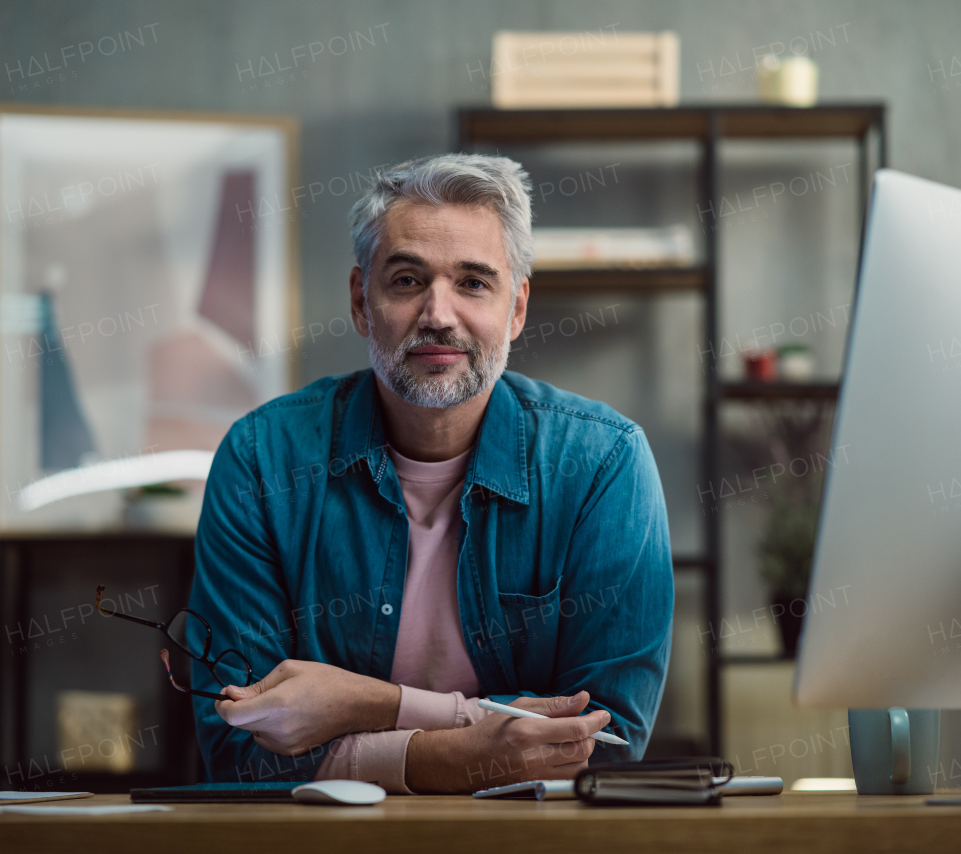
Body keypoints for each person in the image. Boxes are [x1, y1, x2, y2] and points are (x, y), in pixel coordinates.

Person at [188, 153, 673, 794]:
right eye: (409, 280)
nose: (439, 314)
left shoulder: (602, 464)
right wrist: (462, 746)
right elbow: (237, 747)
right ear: (363, 301)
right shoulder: (261, 460)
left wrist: (366, 704)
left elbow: (607, 742)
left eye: (473, 283)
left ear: (517, 307)